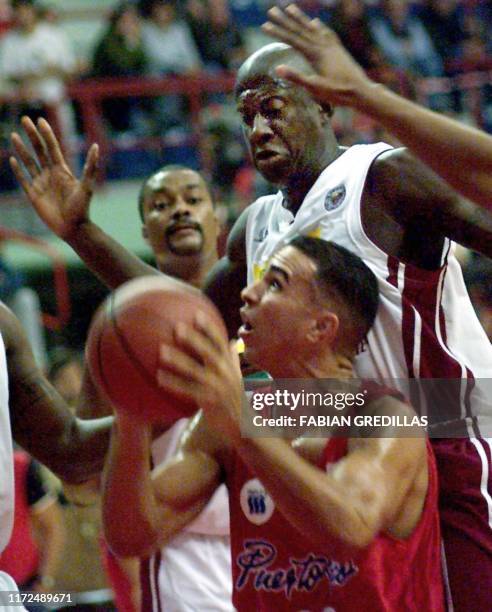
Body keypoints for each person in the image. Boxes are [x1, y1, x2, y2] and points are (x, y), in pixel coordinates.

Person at [9, 7, 492, 605]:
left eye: (273, 106)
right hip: (324, 418)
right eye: (246, 116)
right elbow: (180, 318)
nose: (258, 127)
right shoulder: (257, 226)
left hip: (448, 428)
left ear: (323, 106)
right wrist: (82, 232)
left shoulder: (382, 178)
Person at [102, 236, 445, 611]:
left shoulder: (385, 419)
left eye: (275, 284)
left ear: (320, 328)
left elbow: (351, 527)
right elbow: (132, 535)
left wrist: (241, 427)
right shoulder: (229, 419)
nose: (248, 293)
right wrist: (131, 418)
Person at [9, 116, 233, 612]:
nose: (179, 210)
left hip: (273, 549)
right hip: (176, 556)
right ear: (144, 231)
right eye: (161, 204)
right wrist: (143, 417)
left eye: (193, 200)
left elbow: (348, 411)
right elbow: (83, 486)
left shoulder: (259, 314)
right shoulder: (117, 341)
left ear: (219, 217)